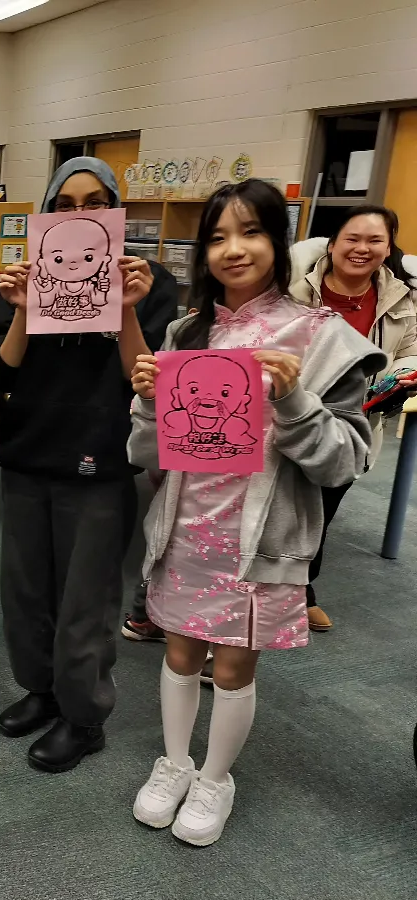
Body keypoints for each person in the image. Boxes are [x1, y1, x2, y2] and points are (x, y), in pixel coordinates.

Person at [128, 179, 383, 846]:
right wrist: (150, 402)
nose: (232, 250)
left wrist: (295, 400)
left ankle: (215, 776)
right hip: (186, 528)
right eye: (216, 237)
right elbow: (148, 453)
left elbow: (344, 464)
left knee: (233, 665)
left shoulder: (321, 338)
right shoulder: (188, 331)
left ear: (280, 240)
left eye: (250, 232)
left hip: (260, 539)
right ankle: (175, 761)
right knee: (180, 651)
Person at [0, 157, 178, 772]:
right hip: (28, 452)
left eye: (94, 203)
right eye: (64, 205)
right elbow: (3, 368)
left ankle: (84, 716)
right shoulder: (24, 279)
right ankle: (40, 689)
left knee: (85, 600)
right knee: (25, 589)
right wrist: (19, 306)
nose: (78, 215)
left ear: (114, 211)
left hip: (99, 456)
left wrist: (125, 306)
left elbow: (144, 379)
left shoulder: (151, 284)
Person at [288, 206, 417, 632]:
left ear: (388, 247)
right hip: (290, 414)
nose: (362, 249)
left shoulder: (402, 297)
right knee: (275, 504)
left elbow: (410, 350)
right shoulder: (294, 285)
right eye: (352, 238)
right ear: (333, 243)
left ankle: (302, 590)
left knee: (321, 510)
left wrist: (399, 379)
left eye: (375, 241)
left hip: (351, 425)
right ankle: (257, 590)